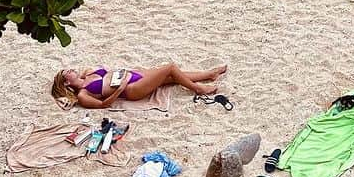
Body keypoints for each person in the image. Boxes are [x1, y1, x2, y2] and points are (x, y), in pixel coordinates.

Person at [51, 62, 227, 109]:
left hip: (131, 75)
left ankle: (209, 75)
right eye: (67, 72)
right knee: (170, 68)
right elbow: (103, 105)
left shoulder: (87, 74)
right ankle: (199, 88)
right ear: (67, 82)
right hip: (130, 89)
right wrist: (119, 89)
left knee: (172, 76)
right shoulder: (83, 95)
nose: (71, 69)